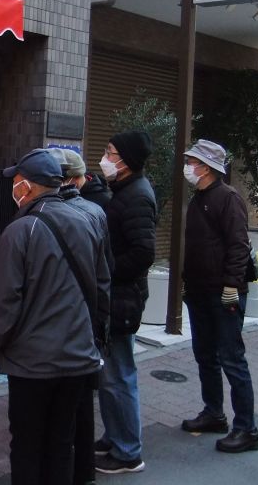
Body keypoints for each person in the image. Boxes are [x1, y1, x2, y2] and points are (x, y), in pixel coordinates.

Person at [0, 148, 110, 485]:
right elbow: (102, 286)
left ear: (27, 185)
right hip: (77, 355)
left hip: (32, 362)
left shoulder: (21, 230)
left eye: (17, 180)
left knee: (27, 444)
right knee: (61, 442)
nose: (14, 186)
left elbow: (3, 299)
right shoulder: (87, 220)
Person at [179, 139, 258, 453]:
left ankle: (247, 429)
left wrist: (231, 285)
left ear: (207, 167)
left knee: (232, 359)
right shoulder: (199, 197)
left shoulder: (228, 198)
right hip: (200, 291)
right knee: (205, 356)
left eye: (192, 162)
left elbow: (239, 245)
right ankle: (214, 413)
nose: (188, 167)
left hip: (224, 294)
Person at [94, 131, 156, 475]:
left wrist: (107, 271)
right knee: (110, 373)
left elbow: (143, 253)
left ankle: (128, 451)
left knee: (118, 374)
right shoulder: (123, 190)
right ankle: (114, 436)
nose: (105, 158)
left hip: (122, 298)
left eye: (110, 152)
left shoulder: (137, 196)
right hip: (116, 296)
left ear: (126, 160)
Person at [49, 148, 112, 485]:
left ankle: (67, 469)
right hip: (87, 320)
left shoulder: (46, 213)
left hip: (62, 322)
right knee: (82, 402)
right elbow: (104, 273)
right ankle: (84, 470)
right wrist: (101, 322)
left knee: (59, 413)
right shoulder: (95, 212)